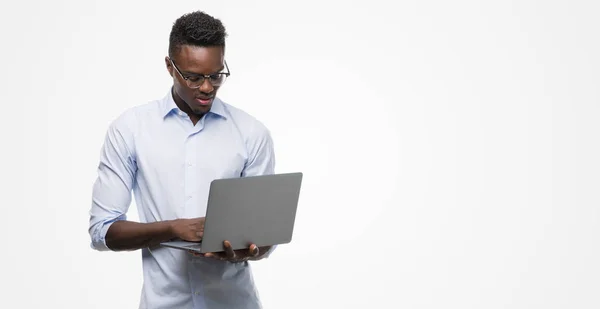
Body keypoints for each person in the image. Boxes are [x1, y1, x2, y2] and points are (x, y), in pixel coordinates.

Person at [88, 10, 276, 309]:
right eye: (193, 77)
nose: (206, 87)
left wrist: (246, 250)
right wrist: (173, 229)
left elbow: (264, 239)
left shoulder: (251, 133)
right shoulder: (131, 129)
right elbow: (103, 231)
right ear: (169, 67)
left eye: (216, 76)